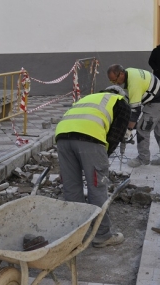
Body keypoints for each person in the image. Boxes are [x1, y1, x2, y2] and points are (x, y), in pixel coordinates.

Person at [55, 85, 131, 248]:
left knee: (71, 187)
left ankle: (75, 234)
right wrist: (103, 157)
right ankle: (102, 235)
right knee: (97, 186)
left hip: (62, 137)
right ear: (121, 94)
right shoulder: (121, 102)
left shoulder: (88, 99)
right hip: (90, 138)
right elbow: (115, 135)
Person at [107, 64, 160, 167]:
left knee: (142, 128)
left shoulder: (134, 83)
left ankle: (143, 159)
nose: (114, 83)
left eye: (114, 80)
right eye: (111, 82)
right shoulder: (128, 71)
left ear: (121, 74)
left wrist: (128, 131)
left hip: (157, 101)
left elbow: (135, 111)